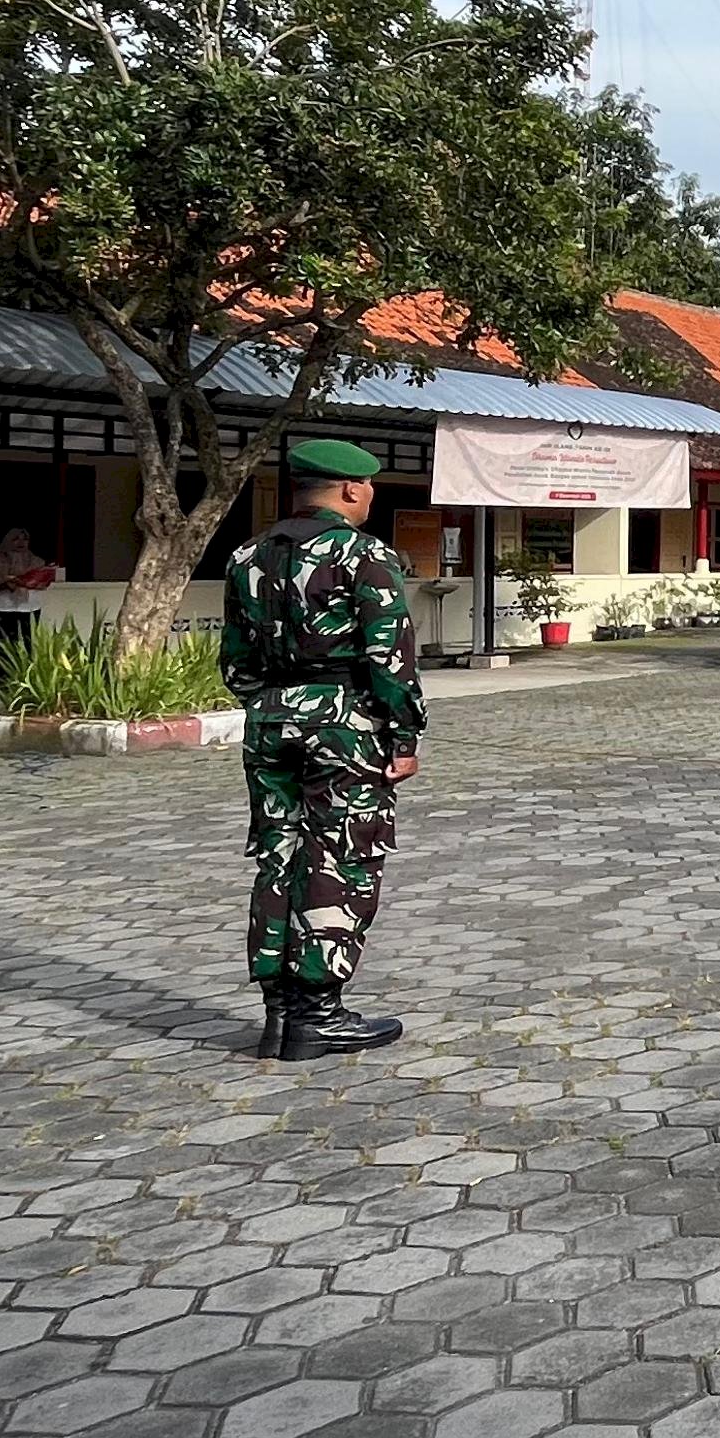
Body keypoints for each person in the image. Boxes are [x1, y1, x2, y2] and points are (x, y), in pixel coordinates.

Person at [221, 440, 427, 1062]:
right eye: (369, 488)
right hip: (344, 726)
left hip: (270, 723)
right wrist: (403, 735)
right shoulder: (364, 555)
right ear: (350, 489)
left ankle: (280, 1013)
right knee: (341, 858)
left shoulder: (246, 556)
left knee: (278, 856)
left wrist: (276, 705)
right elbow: (389, 656)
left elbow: (236, 662)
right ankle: (317, 1014)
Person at [0, 525, 60, 658]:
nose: (21, 543)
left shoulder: (37, 562)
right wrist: (5, 585)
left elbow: (43, 584)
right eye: (16, 539)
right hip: (2, 608)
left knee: (28, 644)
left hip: (29, 608)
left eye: (24, 539)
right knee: (3, 647)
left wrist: (31, 581)